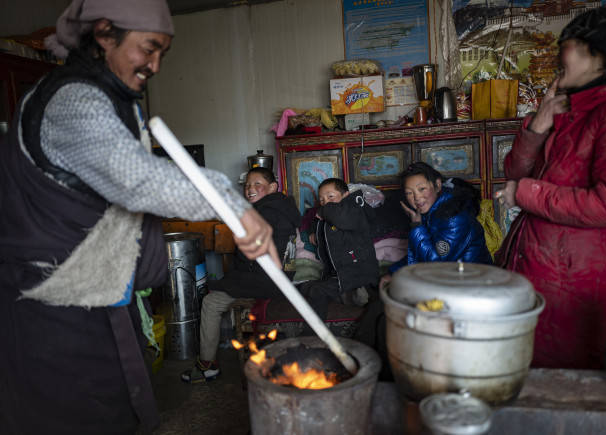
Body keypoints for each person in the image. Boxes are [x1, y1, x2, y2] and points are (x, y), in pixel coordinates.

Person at [0, 1, 280, 433]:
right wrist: (235, 204)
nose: (154, 65)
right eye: (148, 48)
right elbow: (136, 178)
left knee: (119, 414)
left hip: (100, 305)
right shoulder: (72, 100)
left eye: (162, 54)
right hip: (54, 319)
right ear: (105, 32)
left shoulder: (112, 97)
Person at [494, 7, 606, 369]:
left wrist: (524, 193)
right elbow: (513, 169)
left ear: (599, 56)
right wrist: (538, 127)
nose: (559, 55)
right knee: (523, 365)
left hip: (571, 277)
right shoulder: (569, 109)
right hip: (536, 262)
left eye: (568, 46)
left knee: (559, 377)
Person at [181, 167, 301, 383]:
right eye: (247, 185)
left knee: (210, 300)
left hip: (267, 281)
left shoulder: (267, 212)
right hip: (277, 279)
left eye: (257, 184)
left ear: (273, 187)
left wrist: (227, 281)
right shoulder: (281, 207)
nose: (250, 189)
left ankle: (208, 365)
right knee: (217, 289)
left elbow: (252, 260)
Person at [385, 162, 492, 279]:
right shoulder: (429, 212)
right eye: (409, 193)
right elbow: (417, 255)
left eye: (422, 189)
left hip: (472, 284)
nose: (416, 198)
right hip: (452, 280)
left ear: (437, 185)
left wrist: (416, 226)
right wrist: (393, 272)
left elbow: (435, 264)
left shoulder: (454, 217)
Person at [298, 178, 379, 326]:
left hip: (358, 272)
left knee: (317, 290)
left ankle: (315, 332)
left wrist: (323, 209)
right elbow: (317, 221)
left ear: (346, 195)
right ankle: (348, 295)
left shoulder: (354, 209)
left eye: (330, 196)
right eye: (321, 200)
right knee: (306, 287)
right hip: (338, 273)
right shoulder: (328, 214)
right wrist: (313, 231)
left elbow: (340, 218)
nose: (325, 202)